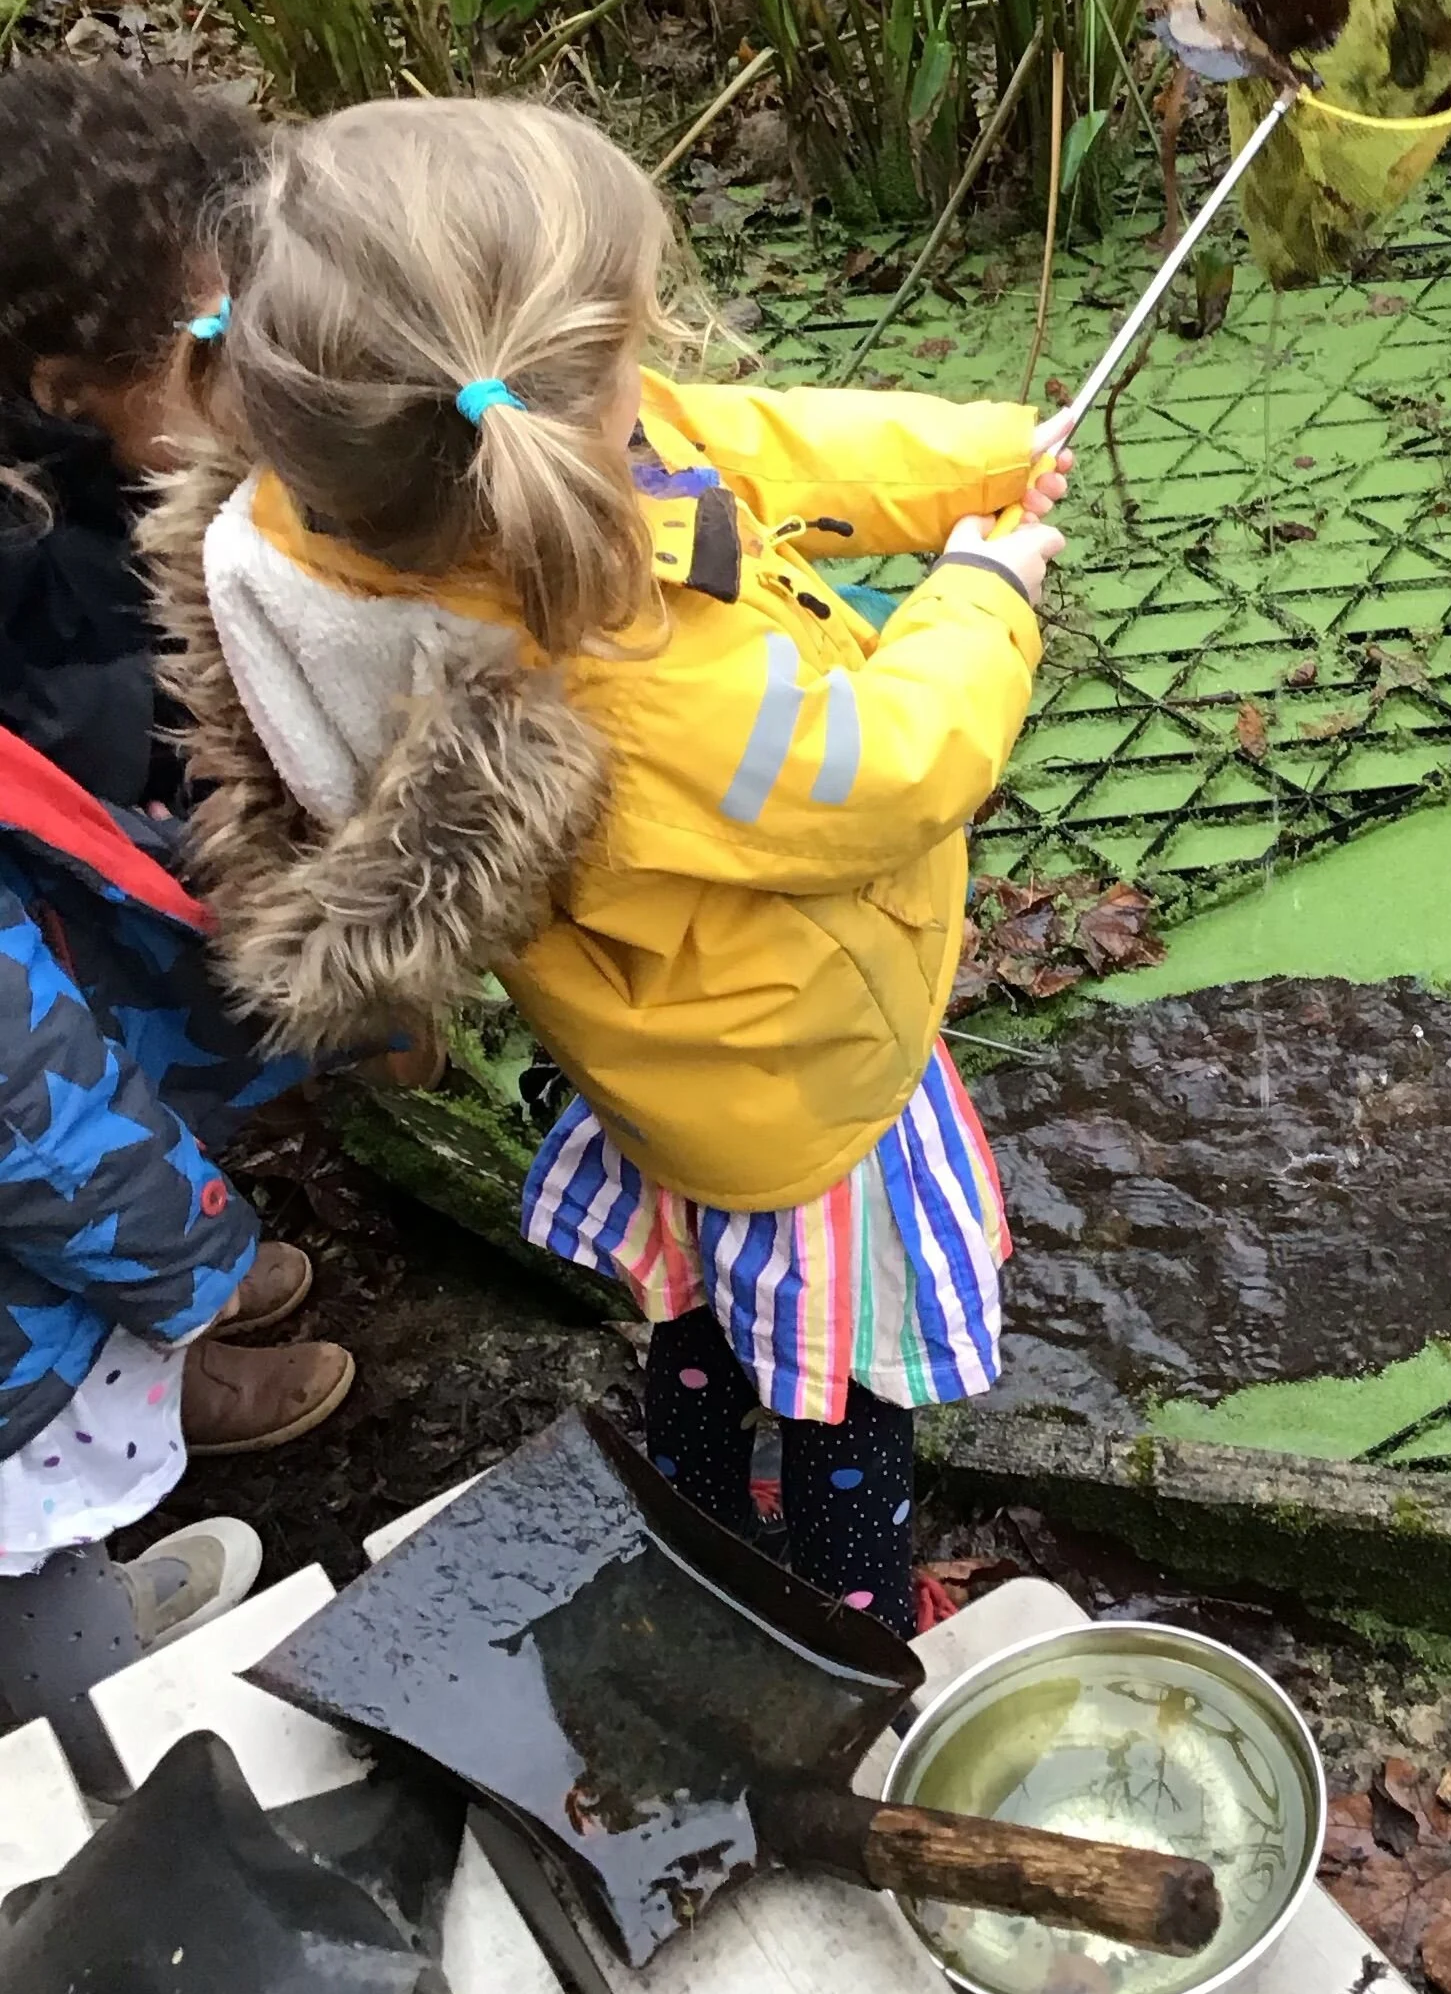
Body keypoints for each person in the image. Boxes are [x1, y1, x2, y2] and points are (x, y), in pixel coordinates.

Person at [152, 97, 1067, 1638]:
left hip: (652, 1050)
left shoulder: (348, 507)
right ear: (565, 401)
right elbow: (891, 769)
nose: (659, 376)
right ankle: (846, 1613)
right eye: (638, 344)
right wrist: (984, 591)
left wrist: (972, 461)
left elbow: (751, 443)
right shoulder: (636, 676)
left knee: (702, 1312)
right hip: (795, 1078)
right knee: (843, 1375)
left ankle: (699, 1522)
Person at [0, 69, 352, 1778]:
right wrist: (185, 1260)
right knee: (43, 1622)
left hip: (72, 969)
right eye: (216, 349)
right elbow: (35, 1103)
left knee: (112, 1184)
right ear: (68, 375)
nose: (255, 380)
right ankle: (98, 1739)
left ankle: (156, 1353)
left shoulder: (54, 459)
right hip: (42, 1194)